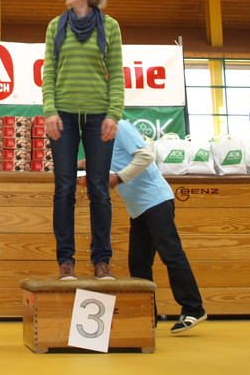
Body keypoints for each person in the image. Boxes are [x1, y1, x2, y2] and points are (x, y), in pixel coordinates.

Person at [81, 120, 206, 334]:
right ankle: (148, 317)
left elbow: (146, 156)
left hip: (157, 201)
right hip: (138, 210)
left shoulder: (120, 127)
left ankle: (194, 308)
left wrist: (119, 177)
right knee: (138, 265)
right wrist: (74, 166)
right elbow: (101, 161)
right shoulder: (98, 136)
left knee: (171, 254)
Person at [42, 0, 124, 281]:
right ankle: (66, 262)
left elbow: (116, 73)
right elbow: (49, 71)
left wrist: (114, 114)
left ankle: (102, 261)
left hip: (99, 115)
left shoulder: (110, 26)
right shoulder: (55, 26)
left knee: (99, 189)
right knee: (63, 188)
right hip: (62, 115)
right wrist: (50, 111)